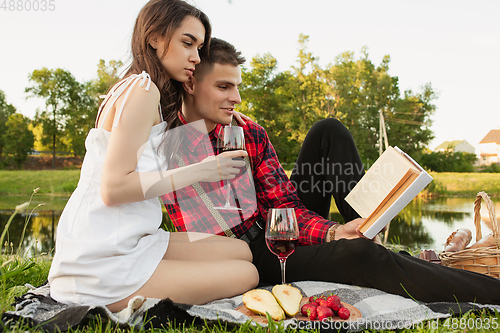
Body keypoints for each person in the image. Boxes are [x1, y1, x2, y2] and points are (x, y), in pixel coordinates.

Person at [162, 37, 500, 305]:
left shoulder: (249, 132)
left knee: (329, 131)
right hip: (243, 253)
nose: (236, 97)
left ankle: (362, 230)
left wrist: (333, 233)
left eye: (237, 86)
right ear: (191, 85)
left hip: (273, 228)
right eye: (224, 87)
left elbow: (284, 208)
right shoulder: (168, 143)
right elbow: (209, 236)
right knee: (360, 257)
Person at [48, 0, 258, 313]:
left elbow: (180, 130)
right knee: (248, 273)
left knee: (241, 250)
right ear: (155, 38)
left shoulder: (138, 89)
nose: (195, 58)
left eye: (199, 48)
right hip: (101, 260)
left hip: (131, 240)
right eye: (188, 43)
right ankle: (104, 292)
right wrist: (202, 171)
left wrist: (225, 112)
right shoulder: (143, 91)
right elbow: (113, 189)